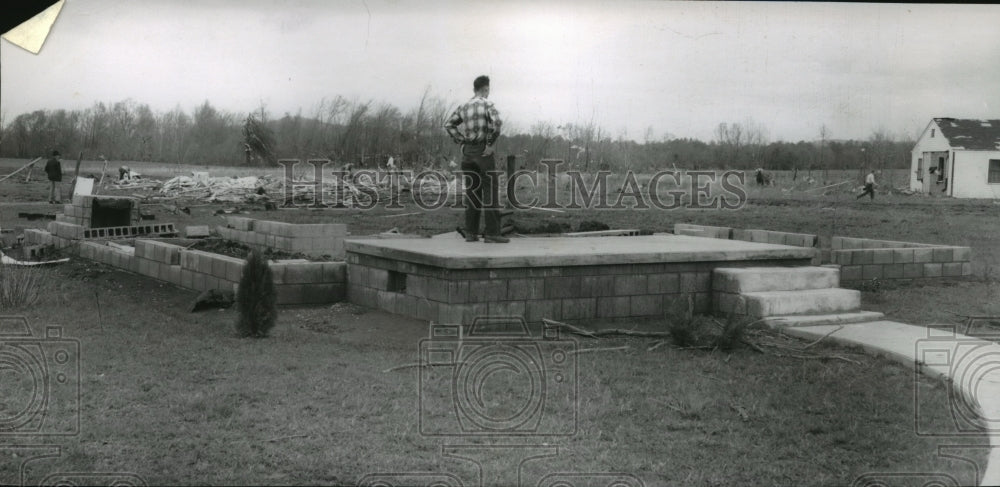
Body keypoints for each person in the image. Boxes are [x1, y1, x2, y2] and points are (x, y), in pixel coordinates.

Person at [444, 75, 507, 243]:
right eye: (488, 90)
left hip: (467, 154)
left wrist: (461, 142)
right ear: (485, 89)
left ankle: (471, 233)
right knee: (490, 191)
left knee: (472, 193)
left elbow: (449, 124)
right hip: (482, 152)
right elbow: (497, 123)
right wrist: (490, 143)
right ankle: (493, 234)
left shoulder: (464, 106)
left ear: (474, 89)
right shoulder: (487, 104)